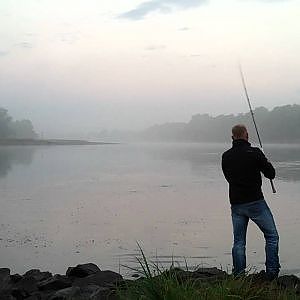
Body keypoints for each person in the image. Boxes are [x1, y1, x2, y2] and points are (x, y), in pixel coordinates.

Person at [221, 124, 280, 279]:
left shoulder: (226, 156)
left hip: (236, 204)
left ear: (232, 137)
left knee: (239, 241)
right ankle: (272, 272)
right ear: (247, 135)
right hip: (255, 202)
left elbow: (228, 178)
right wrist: (265, 161)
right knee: (272, 236)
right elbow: (271, 174)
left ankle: (239, 275)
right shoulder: (254, 153)